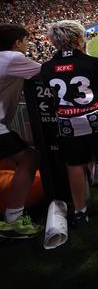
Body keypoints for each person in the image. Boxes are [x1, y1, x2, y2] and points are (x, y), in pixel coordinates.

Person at [41, 21, 98, 224]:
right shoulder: (93, 62)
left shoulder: (47, 67)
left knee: (74, 165)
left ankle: (80, 211)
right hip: (96, 117)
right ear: (78, 39)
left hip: (67, 121)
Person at [0, 24, 43, 238]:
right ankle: (13, 220)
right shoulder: (12, 58)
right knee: (30, 159)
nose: (28, 45)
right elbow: (46, 72)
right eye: (26, 40)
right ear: (17, 42)